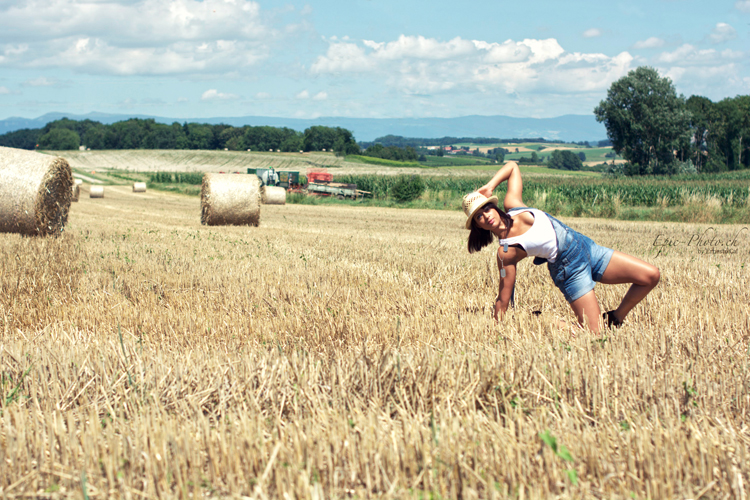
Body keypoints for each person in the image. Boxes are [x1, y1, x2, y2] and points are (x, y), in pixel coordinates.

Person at [464, 161, 660, 334]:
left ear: (494, 206)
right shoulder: (506, 251)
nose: (486, 215)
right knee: (595, 334)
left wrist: (489, 187)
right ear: (478, 226)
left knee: (651, 276)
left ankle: (615, 318)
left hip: (587, 248)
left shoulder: (514, 205)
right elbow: (504, 294)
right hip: (569, 268)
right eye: (479, 216)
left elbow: (513, 167)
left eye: (487, 208)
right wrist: (498, 324)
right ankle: (539, 318)